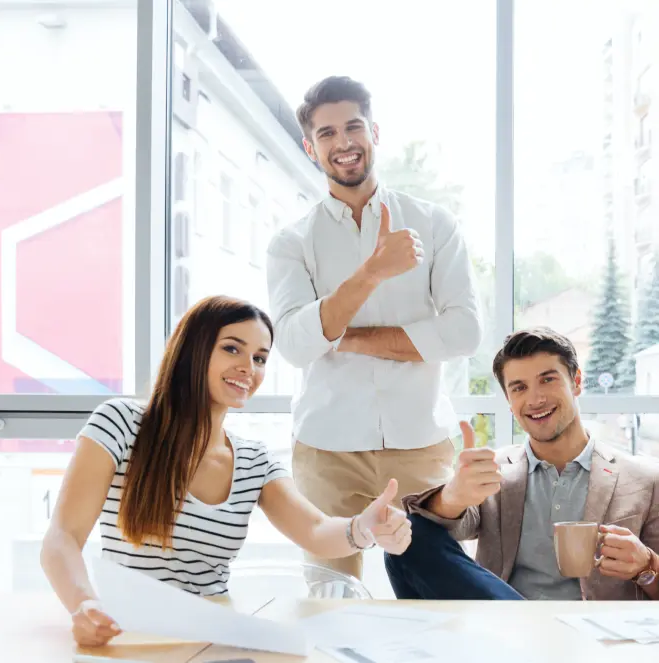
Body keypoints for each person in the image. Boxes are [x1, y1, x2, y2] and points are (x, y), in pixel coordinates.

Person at [40, 296, 412, 647]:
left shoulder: (254, 460)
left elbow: (316, 530)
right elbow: (62, 537)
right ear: (193, 349)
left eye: (260, 358)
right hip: (132, 636)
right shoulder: (120, 422)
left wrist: (365, 527)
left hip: (214, 641)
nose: (249, 368)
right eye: (232, 349)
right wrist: (83, 604)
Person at [266, 75, 482, 579]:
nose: (343, 142)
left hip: (421, 444)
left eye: (353, 127)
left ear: (375, 132)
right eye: (326, 133)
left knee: (442, 590)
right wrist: (373, 273)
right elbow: (294, 345)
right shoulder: (291, 242)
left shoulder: (434, 223)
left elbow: (465, 332)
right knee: (330, 594)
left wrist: (345, 337)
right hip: (326, 449)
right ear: (310, 148)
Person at [386, 327, 659, 601]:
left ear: (576, 382)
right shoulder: (492, 471)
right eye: (519, 388)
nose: (535, 399)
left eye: (548, 380)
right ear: (509, 401)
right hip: (506, 620)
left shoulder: (645, 480)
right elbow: (438, 531)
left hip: (595, 625)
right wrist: (453, 496)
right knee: (405, 537)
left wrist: (646, 565)